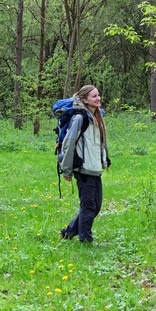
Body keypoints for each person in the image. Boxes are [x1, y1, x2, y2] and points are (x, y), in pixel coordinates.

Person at [58, 85, 110, 243]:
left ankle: (68, 232)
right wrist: (66, 170)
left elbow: (99, 143)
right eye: (94, 96)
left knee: (96, 206)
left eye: (98, 95)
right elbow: (68, 143)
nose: (98, 98)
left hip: (94, 169)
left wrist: (104, 160)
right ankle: (85, 239)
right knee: (88, 207)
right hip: (83, 169)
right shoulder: (80, 118)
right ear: (85, 99)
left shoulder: (97, 117)